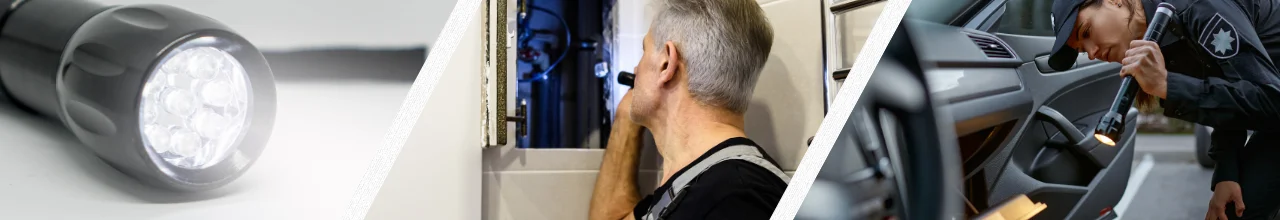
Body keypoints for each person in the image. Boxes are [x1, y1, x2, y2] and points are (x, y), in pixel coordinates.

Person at [1050, 0, 1280, 219]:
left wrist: (1168, 85)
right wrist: (1227, 173)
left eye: (1086, 32)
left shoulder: (1197, 7)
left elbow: (1271, 101)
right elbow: (1224, 84)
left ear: (1114, 1)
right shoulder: (1161, 34)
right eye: (1082, 50)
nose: (1091, 52)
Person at [585, 0, 787, 219]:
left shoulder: (733, 199)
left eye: (643, 51)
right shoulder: (700, 185)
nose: (636, 69)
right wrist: (627, 116)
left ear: (666, 64)